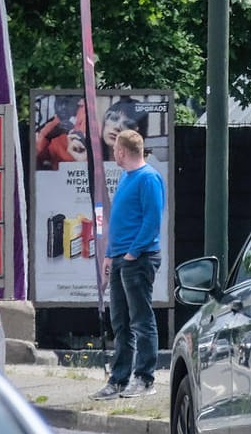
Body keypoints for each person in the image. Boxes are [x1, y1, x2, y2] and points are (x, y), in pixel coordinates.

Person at [94, 128, 164, 399]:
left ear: (123, 151)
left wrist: (133, 253)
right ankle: (119, 379)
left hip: (138, 258)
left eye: (115, 150)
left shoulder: (148, 178)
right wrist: (110, 255)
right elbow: (120, 222)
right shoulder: (126, 177)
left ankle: (145, 378)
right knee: (121, 321)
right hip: (122, 257)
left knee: (140, 319)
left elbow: (152, 220)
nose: (114, 154)